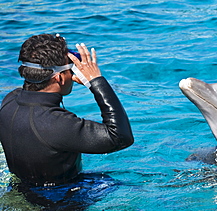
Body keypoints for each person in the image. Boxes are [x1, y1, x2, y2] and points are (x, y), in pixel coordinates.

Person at [0, 34, 134, 187]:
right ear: (59, 78)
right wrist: (95, 81)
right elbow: (121, 137)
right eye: (71, 68)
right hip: (61, 201)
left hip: (24, 189)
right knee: (127, 183)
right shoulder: (56, 124)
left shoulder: (10, 101)